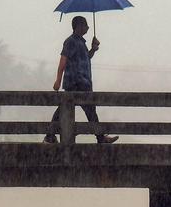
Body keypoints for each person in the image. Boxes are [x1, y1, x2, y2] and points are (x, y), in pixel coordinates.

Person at [44, 15, 117, 144]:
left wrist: (93, 49)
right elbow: (63, 60)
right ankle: (100, 138)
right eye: (85, 25)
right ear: (78, 27)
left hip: (83, 82)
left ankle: (50, 136)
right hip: (76, 83)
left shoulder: (81, 43)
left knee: (66, 110)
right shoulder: (70, 41)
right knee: (85, 111)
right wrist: (58, 80)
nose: (88, 27)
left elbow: (85, 58)